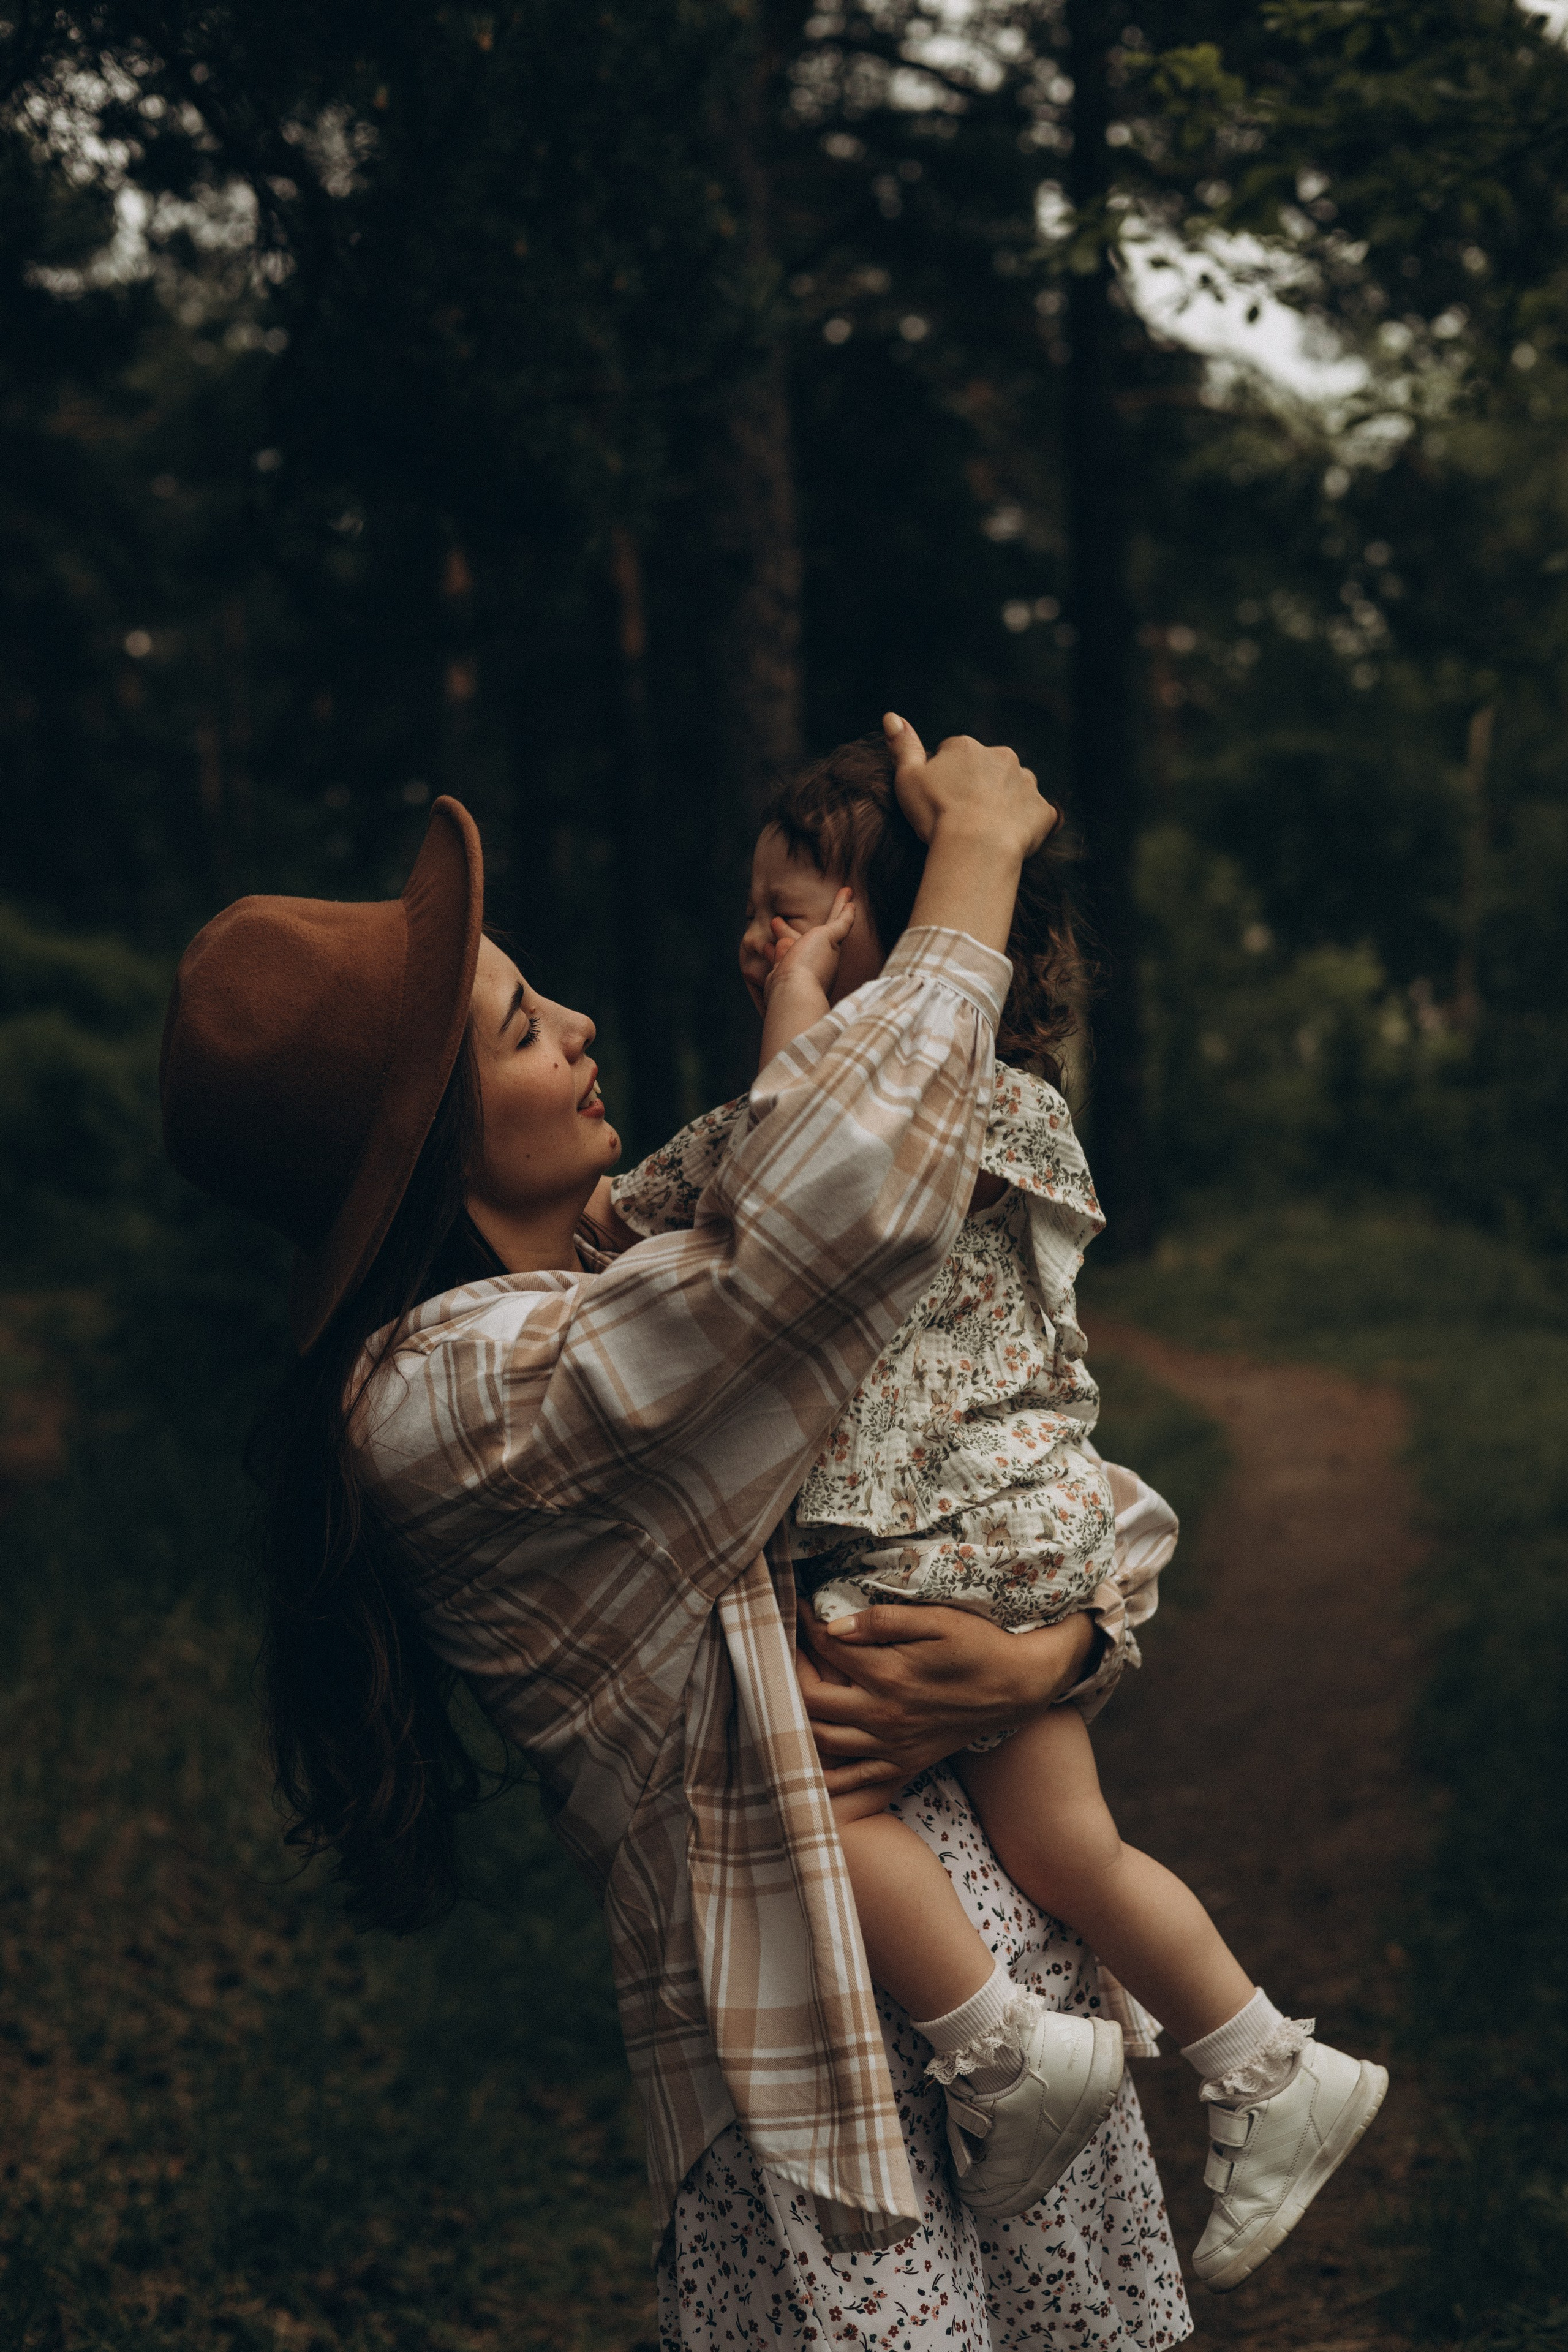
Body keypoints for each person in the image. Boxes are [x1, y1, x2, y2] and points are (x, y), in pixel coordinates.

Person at [159, 718, 1191, 2350]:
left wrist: (1045, 1649)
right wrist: (970, 874)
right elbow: (834, 1225)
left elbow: (1005, 1455)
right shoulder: (441, 1395)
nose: (573, 1024)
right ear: (427, 1137)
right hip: (817, 2099)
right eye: (517, 1027)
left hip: (1013, 2009)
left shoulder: (627, 1260)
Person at [603, 733, 1388, 2296]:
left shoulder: (878, 1104)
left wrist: (769, 1046)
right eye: (752, 912)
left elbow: (783, 1181)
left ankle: (996, 2047)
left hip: (914, 1547)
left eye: (794, 910)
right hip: (1034, 1538)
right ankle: (1260, 2060)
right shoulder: (1023, 1107)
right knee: (1070, 1844)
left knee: (807, 1797)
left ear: (903, 941)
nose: (757, 938)